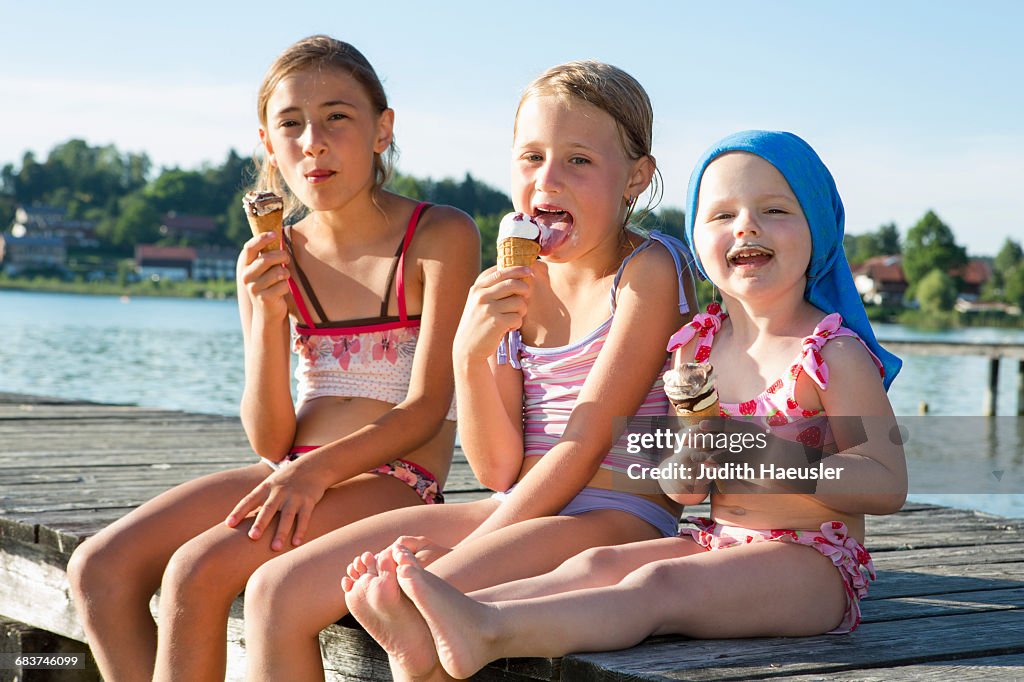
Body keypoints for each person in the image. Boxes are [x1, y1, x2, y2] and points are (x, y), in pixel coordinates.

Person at [342, 130, 908, 680]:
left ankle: (486, 626)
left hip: (812, 564)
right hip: (715, 542)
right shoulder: (697, 350)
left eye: (775, 210)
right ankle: (440, 618)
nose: (746, 227)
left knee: (658, 588)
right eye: (721, 215)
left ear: (821, 229)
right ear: (697, 236)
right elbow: (684, 489)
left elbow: (886, 483)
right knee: (597, 566)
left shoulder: (832, 352)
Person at [239, 59, 696, 681]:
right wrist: (471, 354)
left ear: (636, 178)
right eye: (531, 158)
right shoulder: (512, 283)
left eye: (578, 161)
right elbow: (496, 469)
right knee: (276, 590)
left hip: (616, 518)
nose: (548, 181)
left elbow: (585, 445)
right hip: (517, 505)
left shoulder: (649, 270)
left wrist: (472, 547)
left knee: (412, 599)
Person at [65, 35, 479, 682]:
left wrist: (313, 477)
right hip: (292, 469)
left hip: (395, 484)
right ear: (268, 143)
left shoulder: (439, 235)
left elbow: (427, 409)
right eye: (290, 124)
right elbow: (270, 439)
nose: (312, 140)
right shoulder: (267, 256)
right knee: (99, 568)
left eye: (337, 117)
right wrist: (267, 324)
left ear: (382, 129)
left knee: (199, 572)